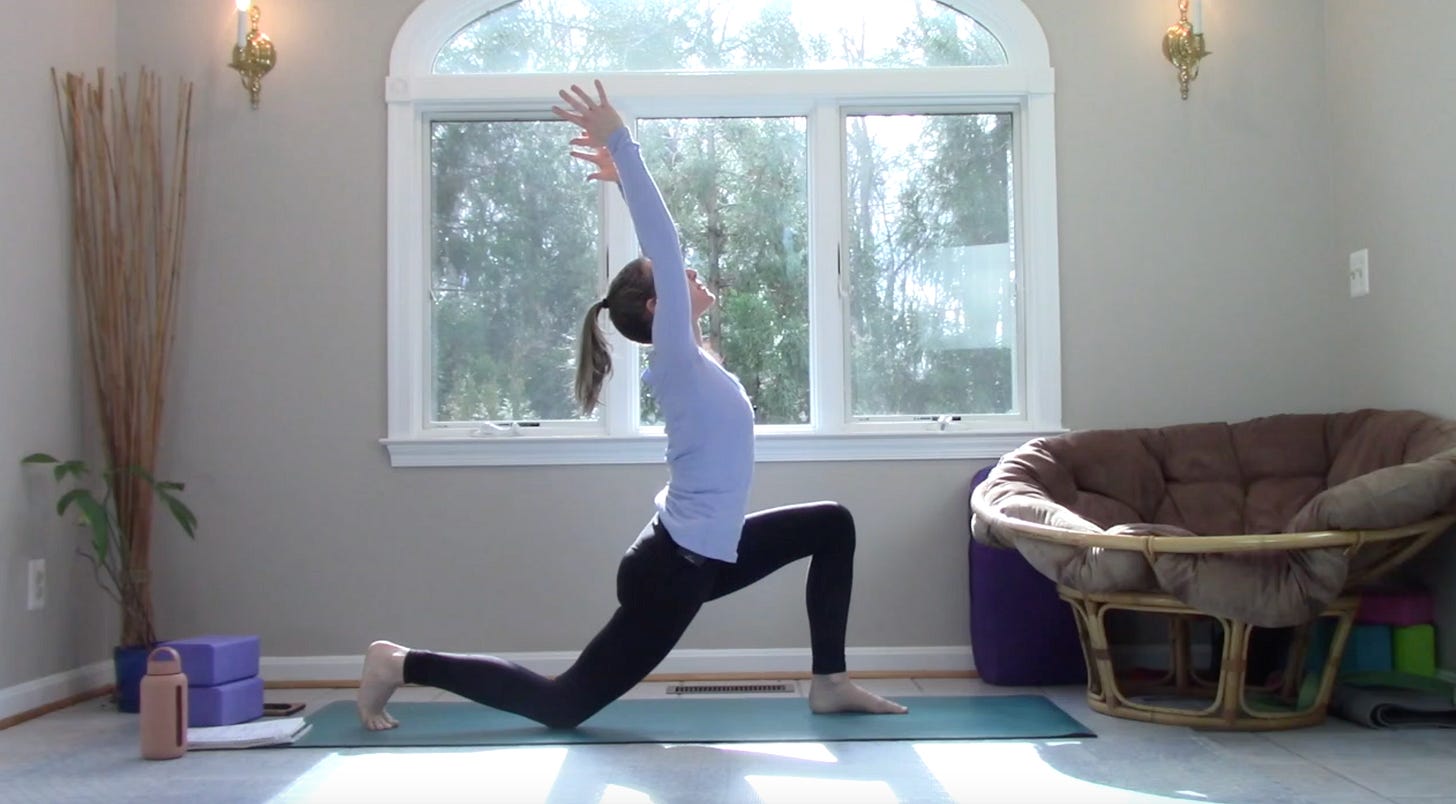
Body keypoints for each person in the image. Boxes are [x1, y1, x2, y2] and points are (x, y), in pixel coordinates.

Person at [357, 81, 906, 731]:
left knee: (831, 524)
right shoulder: (673, 359)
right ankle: (399, 663)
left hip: (703, 552)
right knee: (562, 705)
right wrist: (621, 139)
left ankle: (830, 681)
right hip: (673, 572)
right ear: (658, 308)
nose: (689, 274)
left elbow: (668, 261)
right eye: (671, 279)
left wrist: (618, 177)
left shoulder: (693, 360)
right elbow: (665, 241)